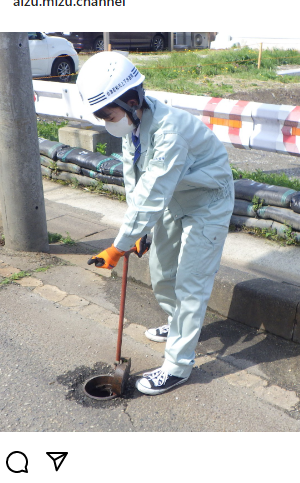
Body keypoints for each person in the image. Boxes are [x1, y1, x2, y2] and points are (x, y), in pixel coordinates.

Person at [77, 52, 234, 395]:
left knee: (191, 282)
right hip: (172, 199)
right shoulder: (132, 124)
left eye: (109, 115)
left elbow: (152, 191)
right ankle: (178, 325)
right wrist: (141, 232)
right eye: (102, 116)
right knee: (162, 272)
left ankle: (178, 366)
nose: (107, 123)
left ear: (133, 101)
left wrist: (118, 247)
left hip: (207, 202)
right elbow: (135, 181)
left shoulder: (170, 131)